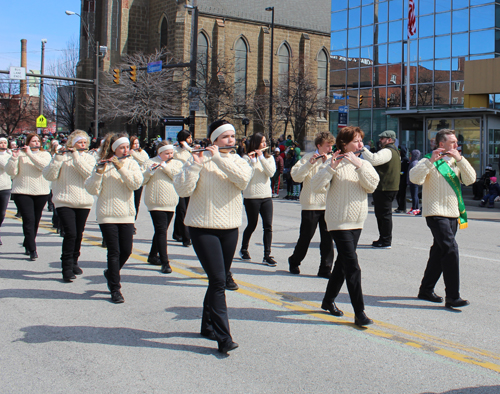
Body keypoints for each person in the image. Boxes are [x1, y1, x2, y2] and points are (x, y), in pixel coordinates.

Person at [173, 119, 252, 354]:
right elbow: (182, 190)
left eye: (232, 137)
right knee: (219, 280)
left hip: (229, 227)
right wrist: (195, 165)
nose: (231, 140)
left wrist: (218, 158)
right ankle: (223, 337)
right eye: (225, 137)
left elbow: (242, 181)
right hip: (202, 226)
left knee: (215, 281)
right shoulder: (197, 158)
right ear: (213, 140)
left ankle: (206, 325)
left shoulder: (238, 160)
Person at [311, 126, 379, 327]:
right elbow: (316, 186)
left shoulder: (363, 163)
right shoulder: (334, 162)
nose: (361, 144)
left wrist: (359, 166)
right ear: (344, 143)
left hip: (357, 220)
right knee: (352, 265)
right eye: (356, 141)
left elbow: (372, 185)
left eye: (361, 140)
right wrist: (330, 167)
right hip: (338, 221)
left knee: (342, 264)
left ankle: (327, 300)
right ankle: (360, 312)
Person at [409, 129, 476, 309]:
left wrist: (461, 160)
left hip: (453, 213)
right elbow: (415, 178)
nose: (456, 145)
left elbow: (471, 180)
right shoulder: (427, 160)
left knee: (439, 252)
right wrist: (431, 162)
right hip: (435, 212)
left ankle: (426, 289)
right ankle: (453, 296)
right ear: (441, 144)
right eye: (452, 142)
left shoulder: (456, 162)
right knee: (450, 249)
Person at [85, 133, 143, 303]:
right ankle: (115, 288)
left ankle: (111, 272)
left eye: (127, 147)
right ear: (114, 149)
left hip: (126, 214)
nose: (125, 150)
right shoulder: (104, 164)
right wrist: (98, 172)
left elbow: (135, 184)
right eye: (121, 148)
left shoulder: (132, 164)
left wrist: (120, 167)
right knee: (114, 252)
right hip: (107, 214)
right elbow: (92, 189)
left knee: (126, 250)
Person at [42, 130, 96, 282]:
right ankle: (66, 266)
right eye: (79, 142)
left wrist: (76, 157)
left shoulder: (89, 158)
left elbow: (88, 174)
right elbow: (49, 176)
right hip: (64, 200)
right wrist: (57, 159)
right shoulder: (61, 157)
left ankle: (74, 261)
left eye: (85, 142)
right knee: (70, 233)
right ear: (72, 143)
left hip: (83, 200)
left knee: (78, 233)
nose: (82, 145)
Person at [288, 131, 335, 278]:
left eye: (331, 146)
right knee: (306, 237)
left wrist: (329, 163)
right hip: (311, 204)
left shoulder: (333, 159)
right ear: (319, 146)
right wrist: (309, 165)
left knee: (328, 240)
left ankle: (325, 268)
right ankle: (294, 261)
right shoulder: (308, 158)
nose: (330, 149)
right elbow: (296, 177)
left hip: (328, 204)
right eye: (327, 146)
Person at [5, 133, 52, 260]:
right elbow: (11, 172)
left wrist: (30, 154)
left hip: (41, 192)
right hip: (22, 191)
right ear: (27, 143)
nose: (36, 143)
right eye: (33, 141)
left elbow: (43, 167)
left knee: (36, 220)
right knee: (29, 219)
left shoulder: (45, 155)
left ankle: (28, 241)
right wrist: (13, 158)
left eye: (37, 141)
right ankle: (32, 248)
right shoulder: (20, 155)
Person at [142, 142, 182, 273]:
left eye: (171, 153)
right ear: (159, 153)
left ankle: (153, 255)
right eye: (166, 153)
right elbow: (141, 180)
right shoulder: (149, 162)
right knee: (161, 231)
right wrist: (149, 171)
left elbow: (177, 177)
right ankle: (165, 262)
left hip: (171, 202)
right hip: (155, 202)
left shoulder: (176, 163)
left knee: (162, 230)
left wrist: (165, 167)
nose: (170, 155)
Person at [239, 133, 277, 266]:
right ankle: (244, 249)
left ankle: (267, 255)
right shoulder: (245, 158)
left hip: (266, 196)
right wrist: (253, 162)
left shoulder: (269, 158)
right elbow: (247, 177)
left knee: (268, 226)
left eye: (265, 142)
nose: (265, 145)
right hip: (251, 197)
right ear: (255, 144)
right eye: (262, 142)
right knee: (252, 224)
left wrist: (261, 157)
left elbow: (271, 173)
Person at [362, 130, 401, 249]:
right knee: (383, 214)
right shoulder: (394, 150)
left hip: (385, 187)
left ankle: (385, 240)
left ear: (390, 140)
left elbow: (373, 159)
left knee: (383, 215)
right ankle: (384, 238)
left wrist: (363, 149)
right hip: (389, 187)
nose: (380, 140)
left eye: (383, 138)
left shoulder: (387, 151)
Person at [172, 129, 193, 247]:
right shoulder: (175, 151)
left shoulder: (190, 151)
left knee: (185, 209)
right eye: (189, 138)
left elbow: (195, 157)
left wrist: (188, 148)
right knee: (181, 210)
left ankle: (177, 233)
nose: (191, 140)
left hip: (188, 182)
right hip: (178, 182)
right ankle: (186, 237)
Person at [129, 136, 149, 231]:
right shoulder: (127, 153)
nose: (136, 145)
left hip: (139, 180)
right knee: (130, 202)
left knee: (136, 202)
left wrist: (135, 154)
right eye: (134, 143)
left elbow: (145, 162)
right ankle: (129, 222)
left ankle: (133, 221)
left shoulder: (142, 152)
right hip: (129, 179)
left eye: (137, 143)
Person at [0, 136, 12, 246]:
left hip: (5, 187)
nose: (3, 144)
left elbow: (8, 168)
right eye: (1, 143)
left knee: (2, 213)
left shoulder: (10, 156)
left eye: (5, 143)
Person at [394, 146, 409, 213]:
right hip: (398, 179)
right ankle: (400, 206)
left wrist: (401, 173)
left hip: (403, 179)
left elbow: (405, 170)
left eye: (399, 150)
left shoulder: (405, 160)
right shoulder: (398, 158)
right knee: (398, 194)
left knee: (402, 194)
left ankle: (403, 208)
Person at [407, 149, 422, 215]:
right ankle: (415, 208)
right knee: (415, 195)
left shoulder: (413, 163)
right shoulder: (416, 162)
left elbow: (413, 173)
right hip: (414, 181)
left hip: (413, 182)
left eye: (411, 155)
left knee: (414, 195)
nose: (410, 156)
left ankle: (415, 208)